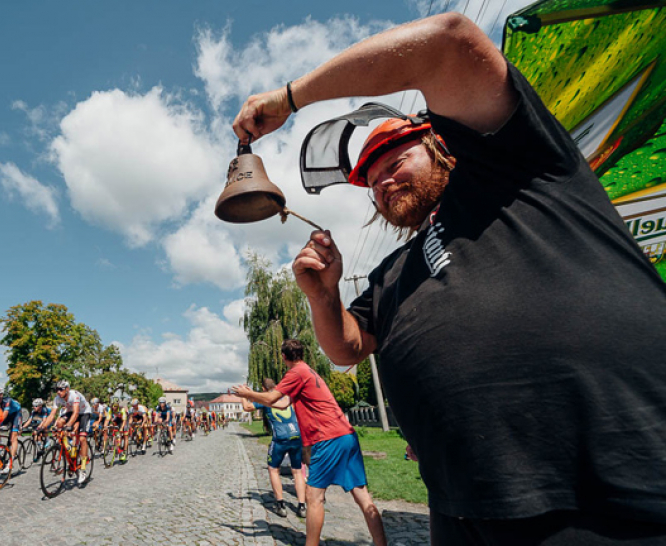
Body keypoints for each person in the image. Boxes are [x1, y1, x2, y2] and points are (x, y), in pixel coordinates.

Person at [232, 12, 666, 545]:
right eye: (370, 179)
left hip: (609, 493)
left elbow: (447, 43)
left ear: (440, 148)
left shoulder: (518, 173)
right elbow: (348, 347)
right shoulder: (395, 272)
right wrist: (324, 297)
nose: (383, 180)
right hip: (461, 505)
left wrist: (290, 98)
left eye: (395, 159)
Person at [233, 340, 386, 546]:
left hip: (328, 437)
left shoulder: (295, 373)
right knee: (362, 496)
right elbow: (283, 402)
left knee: (314, 497)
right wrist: (259, 398)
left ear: (283, 357)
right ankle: (380, 543)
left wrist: (248, 394)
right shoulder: (308, 371)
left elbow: (271, 398)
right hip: (346, 434)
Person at [240, 378, 307, 518]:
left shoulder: (265, 400)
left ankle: (280, 504)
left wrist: (244, 395)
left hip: (280, 439)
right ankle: (302, 506)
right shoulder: (287, 397)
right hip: (296, 436)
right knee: (297, 471)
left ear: (264, 389)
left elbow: (247, 408)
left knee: (273, 469)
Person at [37, 380, 92, 484]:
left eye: (61, 389)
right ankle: (69, 447)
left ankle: (83, 469)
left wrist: (68, 426)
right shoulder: (57, 399)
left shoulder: (74, 395)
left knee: (82, 438)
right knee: (59, 423)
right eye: (56, 390)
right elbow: (52, 415)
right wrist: (42, 427)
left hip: (84, 412)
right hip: (71, 412)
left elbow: (76, 413)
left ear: (67, 389)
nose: (58, 392)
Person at [0, 386, 24, 461]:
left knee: (13, 437)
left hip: (16, 414)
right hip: (7, 416)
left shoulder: (7, 400)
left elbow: (5, 413)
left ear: (0, 395)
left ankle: (10, 461)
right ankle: (0, 447)